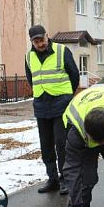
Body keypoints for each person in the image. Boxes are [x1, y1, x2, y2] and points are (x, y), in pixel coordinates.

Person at [25, 25, 80, 195]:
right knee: (46, 144)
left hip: (61, 104)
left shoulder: (62, 51)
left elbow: (74, 75)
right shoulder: (28, 57)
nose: (40, 43)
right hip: (41, 105)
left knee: (61, 143)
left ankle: (65, 179)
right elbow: (30, 78)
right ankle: (53, 179)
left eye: (42, 39)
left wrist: (66, 95)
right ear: (32, 42)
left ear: (47, 36)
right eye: (36, 41)